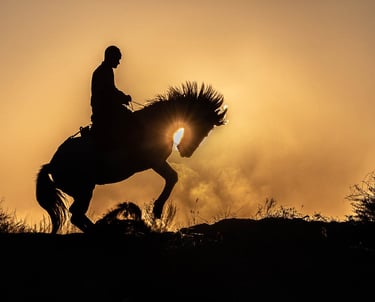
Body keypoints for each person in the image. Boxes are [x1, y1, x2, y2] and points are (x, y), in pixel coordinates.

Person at [90, 45, 132, 149]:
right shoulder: (103, 71)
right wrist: (124, 98)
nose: (119, 62)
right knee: (129, 119)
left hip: (106, 108)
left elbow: (112, 90)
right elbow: (110, 92)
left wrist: (122, 98)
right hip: (104, 111)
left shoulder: (106, 70)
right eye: (118, 59)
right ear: (111, 57)